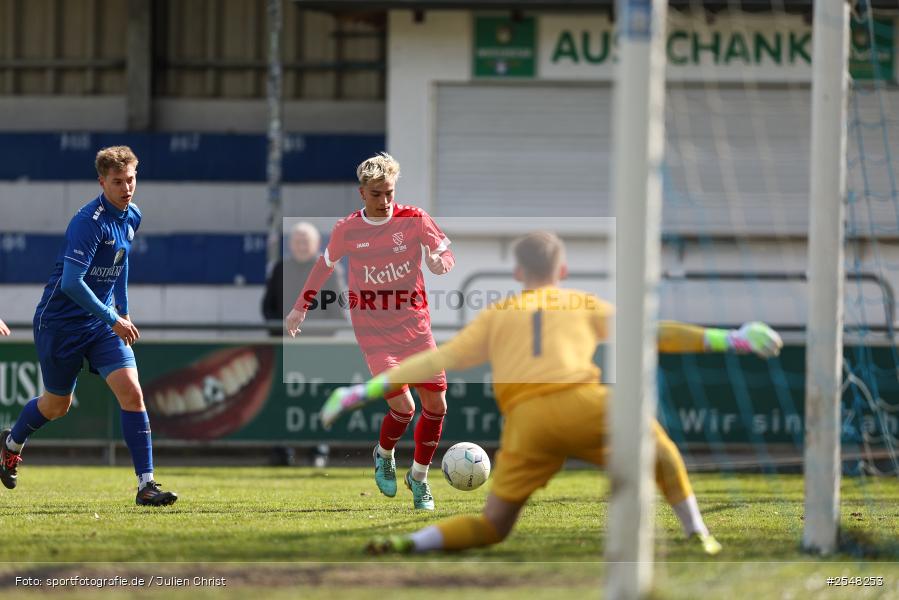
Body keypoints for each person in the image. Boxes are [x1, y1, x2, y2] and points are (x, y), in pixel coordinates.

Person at [321, 231, 784, 555]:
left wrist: (365, 389)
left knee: (493, 526)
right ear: (561, 269)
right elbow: (653, 332)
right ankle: (698, 534)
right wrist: (731, 338)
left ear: (519, 271)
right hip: (588, 405)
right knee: (660, 452)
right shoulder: (580, 303)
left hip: (528, 423)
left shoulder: (499, 314)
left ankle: (412, 544)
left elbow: (433, 361)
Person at [0, 146, 177, 507]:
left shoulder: (132, 215)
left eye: (131, 179)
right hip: (60, 324)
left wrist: (122, 313)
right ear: (102, 181)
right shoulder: (88, 222)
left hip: (100, 323)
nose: (126, 188)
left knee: (132, 391)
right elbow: (71, 282)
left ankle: (146, 485)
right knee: (56, 406)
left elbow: (120, 261)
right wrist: (113, 317)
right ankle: (10, 445)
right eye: (117, 181)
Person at [286, 152, 455, 510]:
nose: (385, 201)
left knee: (436, 404)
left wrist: (440, 263)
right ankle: (384, 453)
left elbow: (443, 251)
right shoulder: (348, 229)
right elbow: (323, 266)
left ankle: (420, 480)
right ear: (362, 193)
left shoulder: (414, 219)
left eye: (389, 192)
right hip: (374, 330)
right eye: (376, 194)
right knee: (404, 406)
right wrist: (301, 307)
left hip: (416, 326)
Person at [262, 221, 348, 337]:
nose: (301, 247)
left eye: (306, 242)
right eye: (297, 242)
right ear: (290, 244)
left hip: (318, 343)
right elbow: (268, 308)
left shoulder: (331, 270)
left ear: (317, 243)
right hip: (285, 342)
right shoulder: (280, 269)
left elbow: (338, 313)